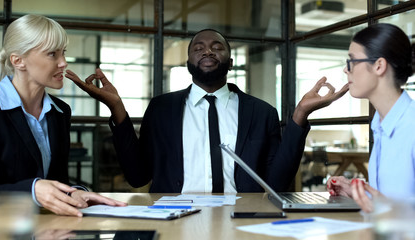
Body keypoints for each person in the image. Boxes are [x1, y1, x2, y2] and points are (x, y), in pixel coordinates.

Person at [66, 29, 348, 193]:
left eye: (217, 47)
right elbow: (138, 176)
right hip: (174, 219)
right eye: (198, 48)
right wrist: (117, 108)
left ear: (230, 59)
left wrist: (299, 116)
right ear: (188, 60)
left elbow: (276, 181)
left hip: (241, 220)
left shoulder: (261, 112)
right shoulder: (162, 109)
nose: (208, 52)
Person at [0, 14, 126, 217]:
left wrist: (76, 192)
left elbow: (56, 180)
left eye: (64, 53)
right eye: (53, 54)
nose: (63, 63)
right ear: (18, 61)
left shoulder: (60, 112)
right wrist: (33, 190)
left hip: (51, 229)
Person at [326, 23, 415, 213]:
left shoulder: (411, 125)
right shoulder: (380, 125)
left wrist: (388, 208)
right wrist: (357, 192)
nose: (345, 69)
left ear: (379, 65)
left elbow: (391, 206)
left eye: (352, 61)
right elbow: (389, 197)